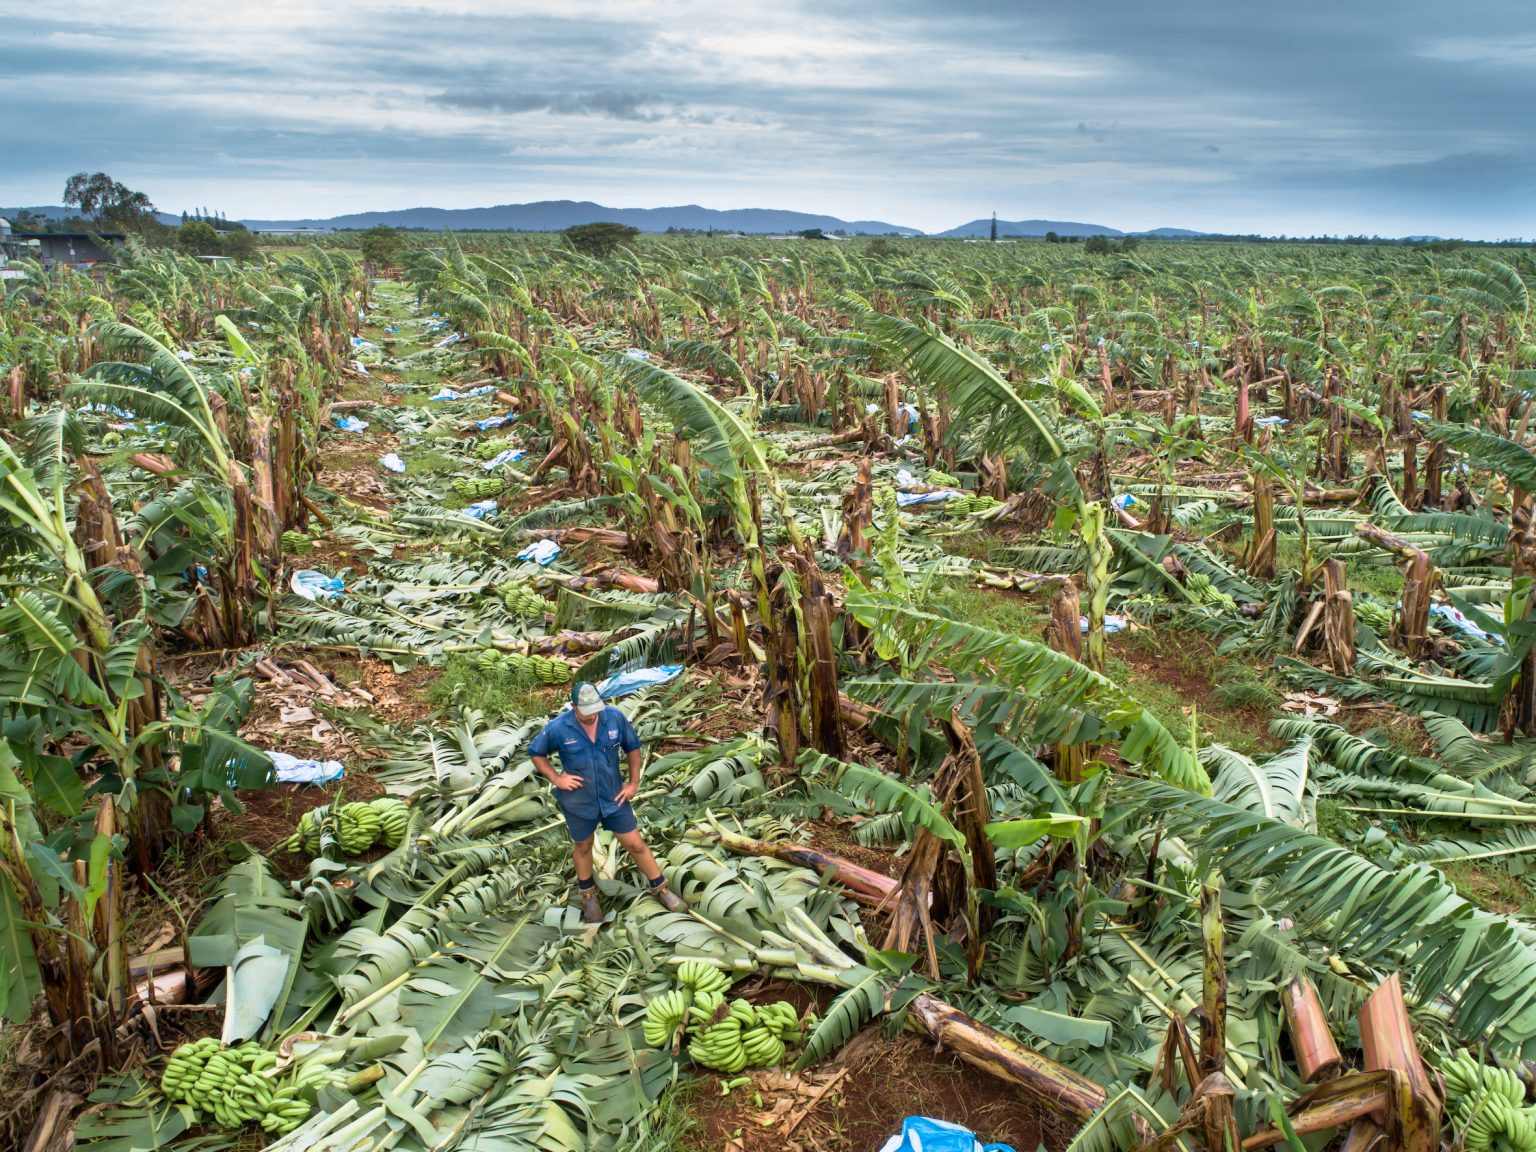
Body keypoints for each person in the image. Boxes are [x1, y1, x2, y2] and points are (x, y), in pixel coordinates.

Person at [528, 682, 689, 922]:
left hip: (613, 797)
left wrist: (633, 784)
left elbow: (633, 748)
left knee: (635, 843)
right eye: (587, 711)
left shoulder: (614, 718)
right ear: (574, 707)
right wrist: (557, 779)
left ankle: (661, 889)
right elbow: (536, 752)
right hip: (579, 801)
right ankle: (588, 896)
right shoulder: (559, 727)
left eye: (596, 709)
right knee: (583, 846)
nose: (593, 715)